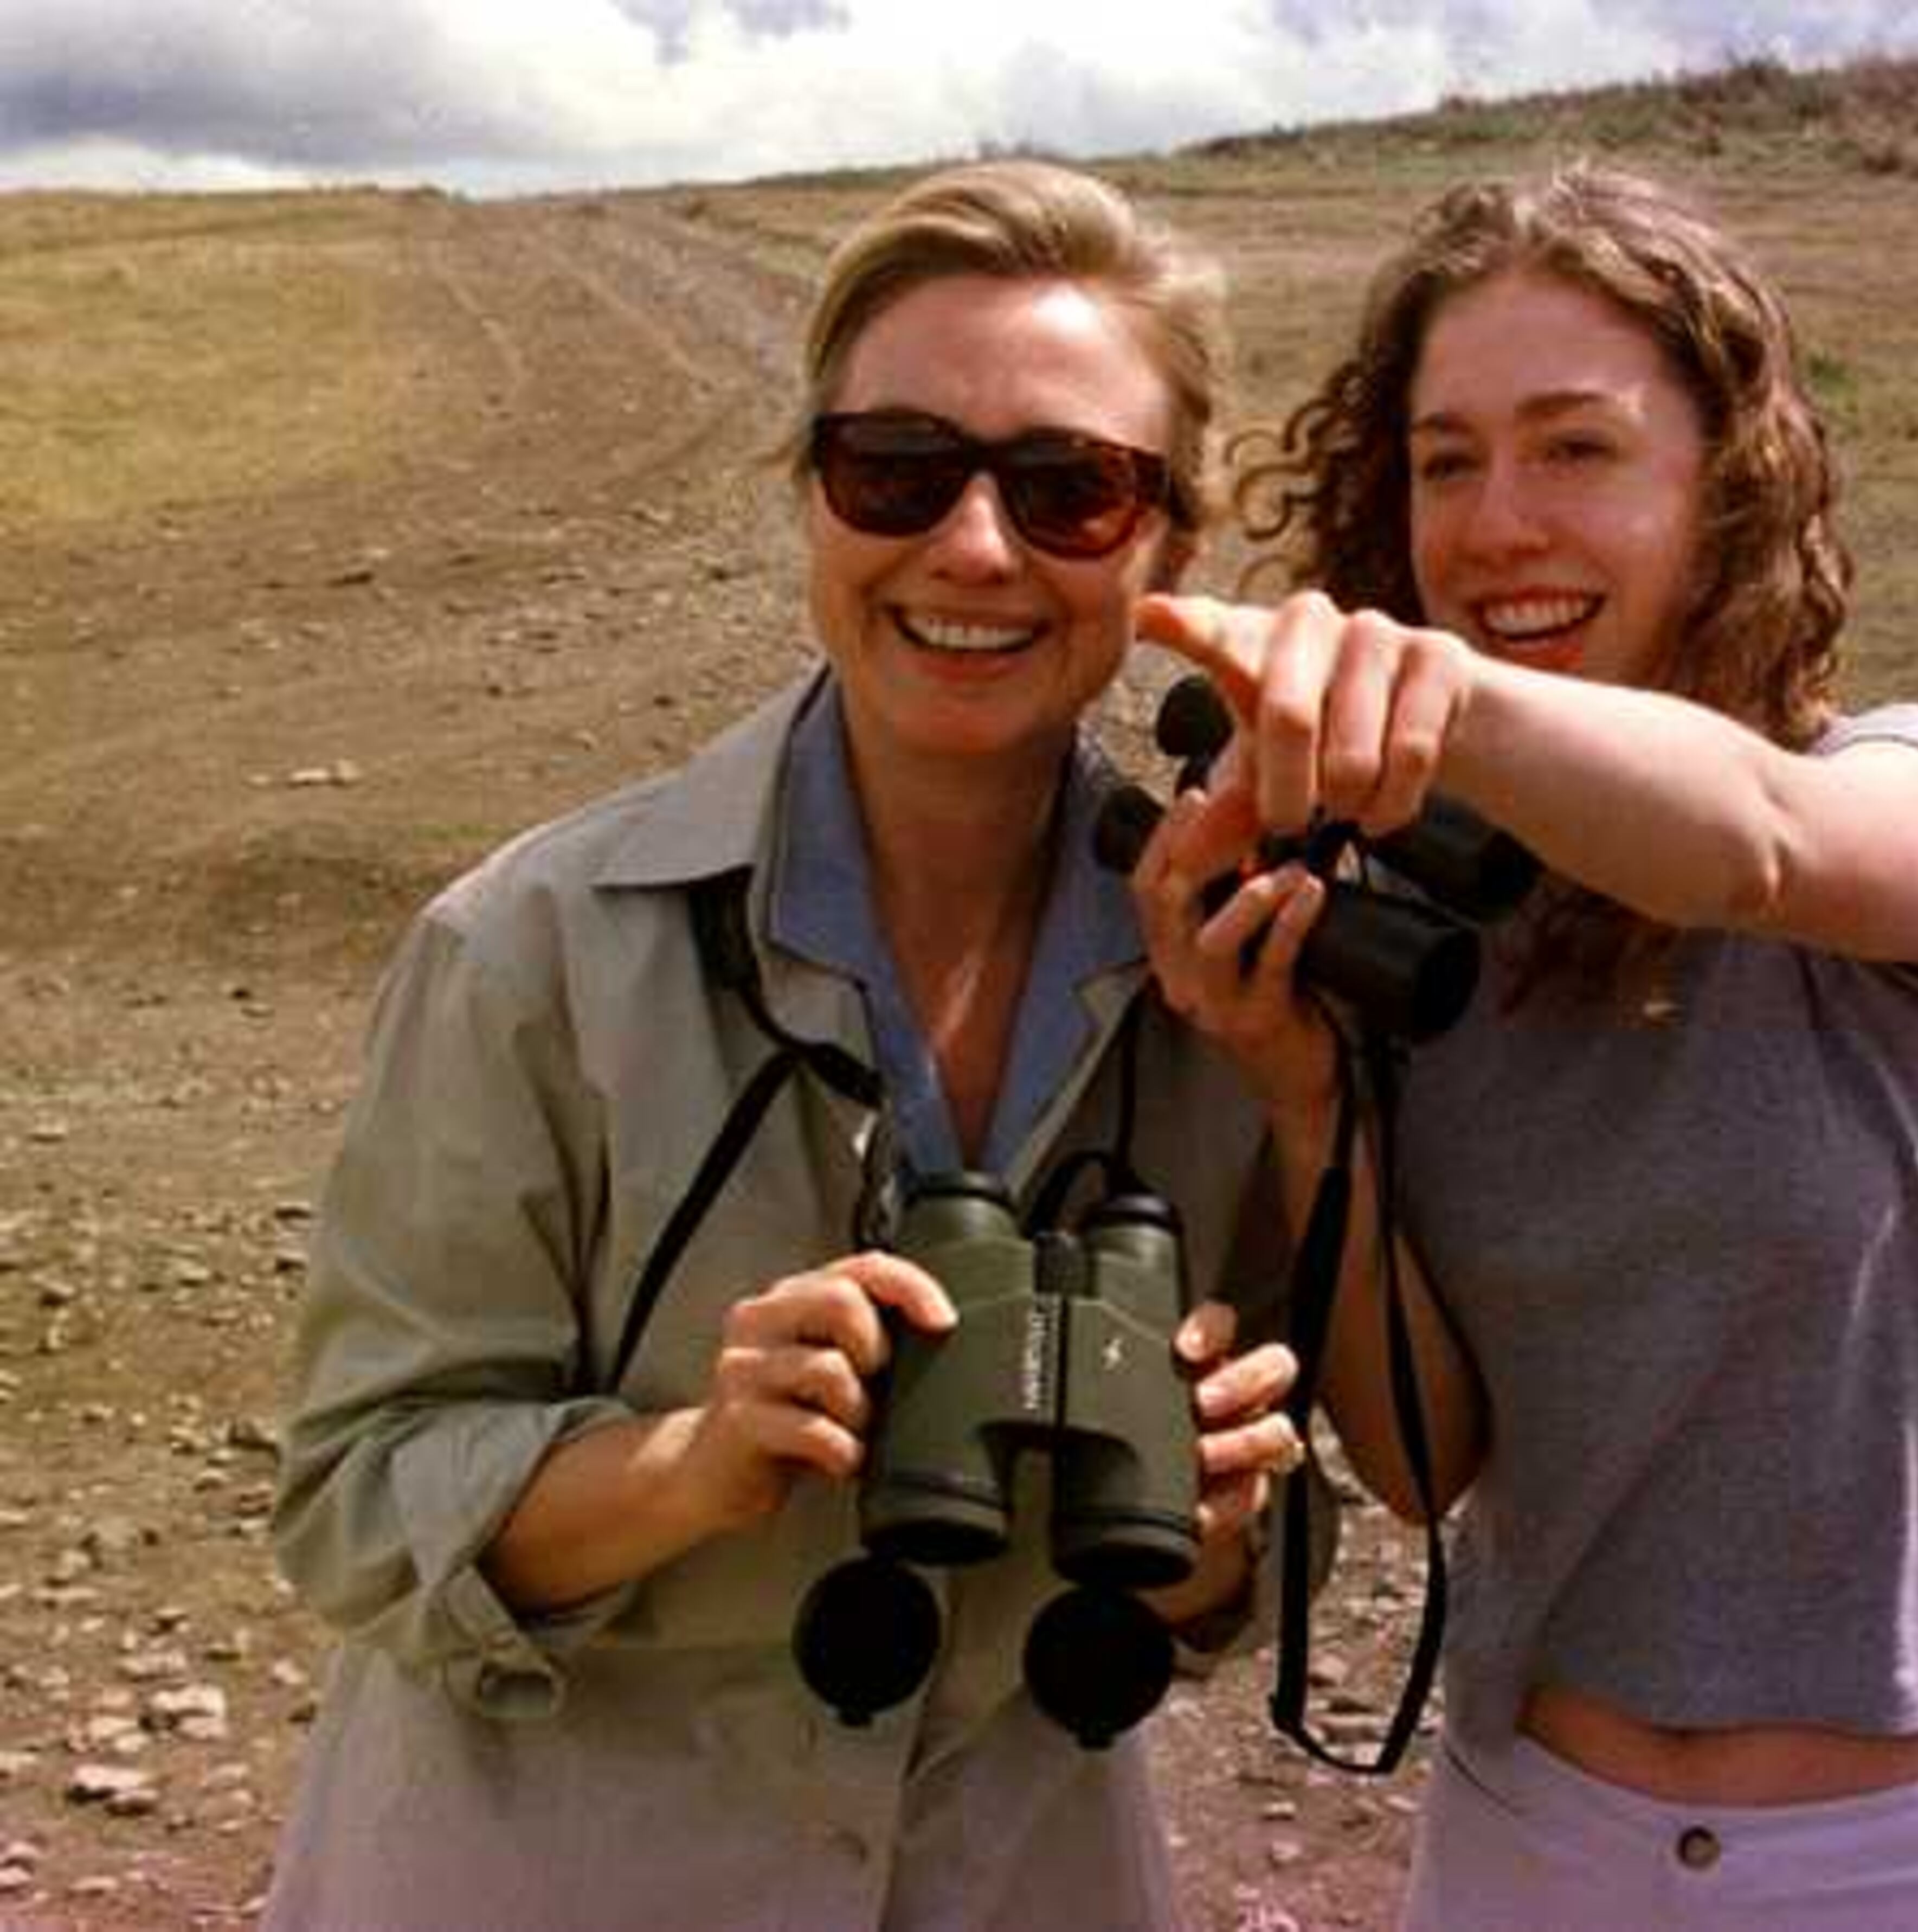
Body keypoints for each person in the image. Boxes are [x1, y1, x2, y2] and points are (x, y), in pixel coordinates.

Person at [262, 159, 1314, 1932]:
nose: (973, 546)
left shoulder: (1229, 985)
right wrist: (685, 1466)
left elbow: (1246, 1549)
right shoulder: (534, 949)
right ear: (811, 492)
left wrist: (1214, 1554)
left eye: (1070, 490)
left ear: (1169, 551)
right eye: (895, 468)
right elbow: (357, 1499)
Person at [1125, 162, 1918, 1929]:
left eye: (1576, 450)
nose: (1498, 528)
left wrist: (1438, 696)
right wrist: (1305, 1089)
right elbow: (1423, 1466)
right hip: (1533, 1836)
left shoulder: (1911, 793)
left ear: (1726, 481)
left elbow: (1759, 844)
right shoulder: (1420, 932)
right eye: (1447, 461)